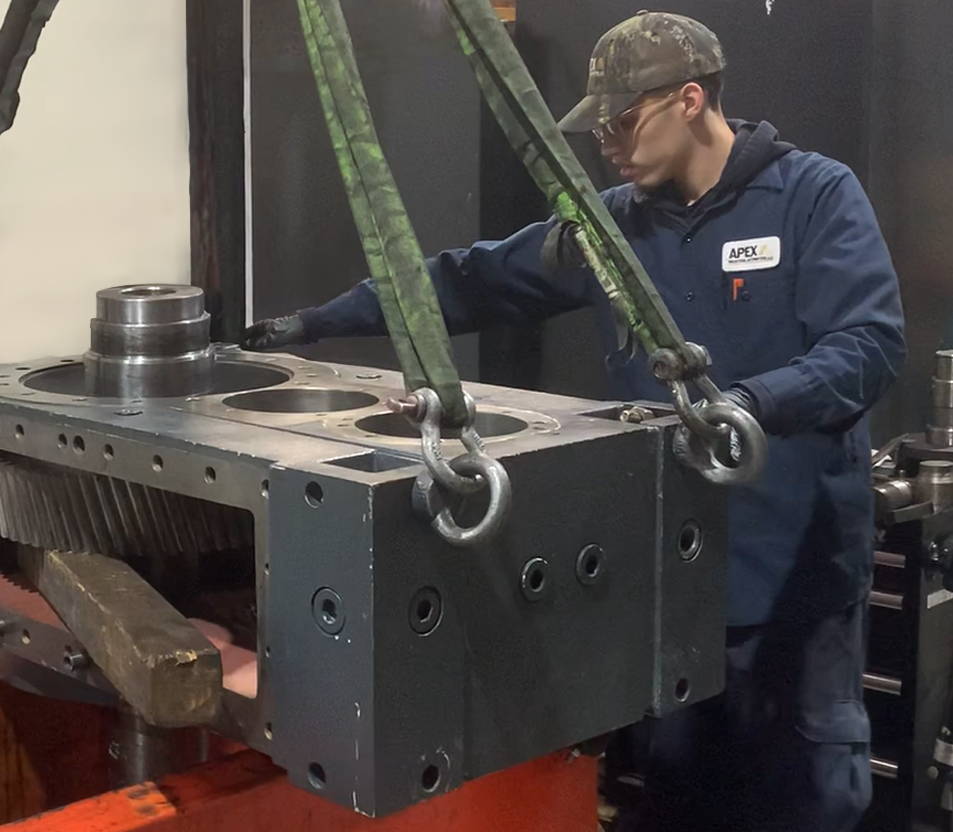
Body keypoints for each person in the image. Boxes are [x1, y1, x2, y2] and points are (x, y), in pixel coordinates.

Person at [244, 11, 905, 832]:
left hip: (792, 585)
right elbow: (467, 282)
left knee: (802, 801)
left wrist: (751, 404)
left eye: (623, 121)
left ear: (690, 100)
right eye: (598, 129)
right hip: (672, 579)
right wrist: (313, 322)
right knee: (678, 796)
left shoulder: (813, 197)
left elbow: (868, 346)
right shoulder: (609, 229)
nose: (608, 145)